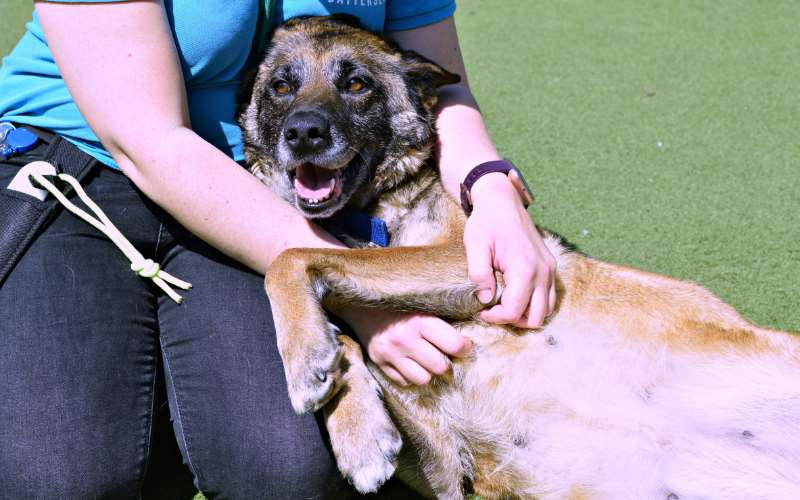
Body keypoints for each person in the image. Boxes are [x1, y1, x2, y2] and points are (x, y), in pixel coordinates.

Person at [0, 1, 557, 498]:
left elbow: (443, 85)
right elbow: (150, 143)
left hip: (253, 189)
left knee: (284, 474)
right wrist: (360, 298)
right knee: (58, 481)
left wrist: (490, 187)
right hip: (84, 172)